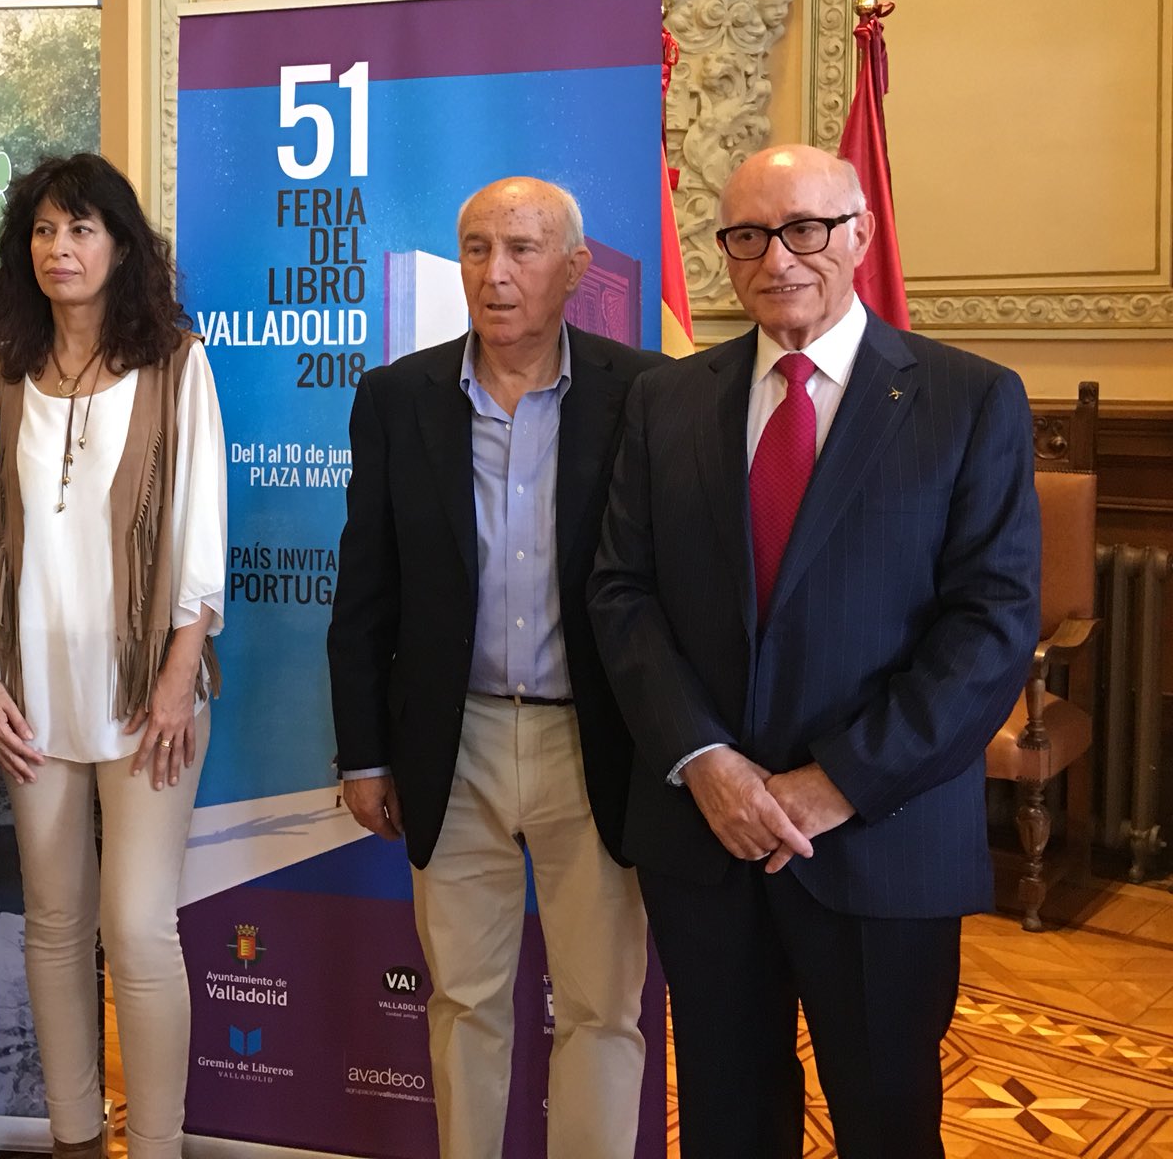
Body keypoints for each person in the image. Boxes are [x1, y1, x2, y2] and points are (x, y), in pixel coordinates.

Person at [590, 144, 1040, 1159]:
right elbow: (621, 593)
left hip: (881, 839)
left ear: (860, 235)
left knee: (885, 1121)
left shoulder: (968, 398)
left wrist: (834, 783)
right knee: (727, 1118)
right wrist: (704, 762)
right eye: (747, 236)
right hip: (705, 836)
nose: (777, 258)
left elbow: (990, 625)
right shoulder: (665, 400)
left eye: (804, 229)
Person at [327, 177, 660, 1156]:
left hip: (592, 743)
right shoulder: (398, 398)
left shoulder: (643, 394)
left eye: (520, 249)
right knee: (464, 999)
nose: (495, 273)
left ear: (575, 268)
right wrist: (363, 754)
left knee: (601, 1006)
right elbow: (365, 590)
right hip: (454, 738)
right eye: (476, 248)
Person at [0, 153, 227, 1159]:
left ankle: (154, 1144)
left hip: (146, 692)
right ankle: (75, 1134)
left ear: (121, 246)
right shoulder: (0, 375)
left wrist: (177, 677)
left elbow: (201, 530)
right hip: (31, 689)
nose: (59, 248)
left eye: (80, 229)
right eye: (42, 230)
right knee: (51, 918)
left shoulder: (176, 364)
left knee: (139, 925)